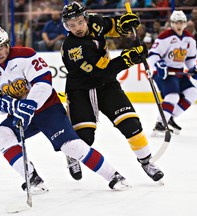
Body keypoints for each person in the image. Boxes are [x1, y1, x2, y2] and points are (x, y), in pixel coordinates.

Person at [0, 26, 133, 193]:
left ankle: (114, 176)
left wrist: (30, 105)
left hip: (48, 109)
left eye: (0, 47)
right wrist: (11, 106)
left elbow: (43, 82)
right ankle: (31, 177)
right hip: (21, 115)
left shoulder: (26, 55)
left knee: (71, 146)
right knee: (0, 136)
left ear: (7, 44)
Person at [60, 2, 164, 183]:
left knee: (131, 123)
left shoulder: (95, 21)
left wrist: (125, 25)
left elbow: (113, 26)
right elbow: (101, 71)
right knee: (84, 138)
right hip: (80, 89)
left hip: (107, 85)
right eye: (71, 25)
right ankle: (72, 154)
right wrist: (127, 59)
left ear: (86, 18)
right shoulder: (73, 48)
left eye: (79, 22)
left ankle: (147, 162)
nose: (76, 28)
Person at [147, 10, 197, 135]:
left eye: (181, 22)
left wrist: (193, 69)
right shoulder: (165, 36)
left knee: (192, 93)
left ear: (185, 23)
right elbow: (152, 55)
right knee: (173, 96)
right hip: (164, 73)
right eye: (176, 22)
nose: (179, 25)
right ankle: (160, 123)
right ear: (171, 23)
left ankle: (170, 117)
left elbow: (190, 59)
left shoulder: (190, 39)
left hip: (178, 72)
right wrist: (159, 65)